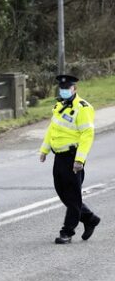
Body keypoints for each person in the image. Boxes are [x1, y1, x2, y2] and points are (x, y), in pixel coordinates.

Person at [39, 74, 100, 244]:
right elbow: (52, 129)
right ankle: (89, 218)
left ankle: (67, 232)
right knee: (62, 192)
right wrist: (44, 150)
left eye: (67, 88)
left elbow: (87, 135)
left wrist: (79, 160)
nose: (64, 91)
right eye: (62, 88)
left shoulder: (83, 108)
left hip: (73, 156)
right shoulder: (59, 106)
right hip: (59, 155)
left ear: (74, 89)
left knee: (73, 196)